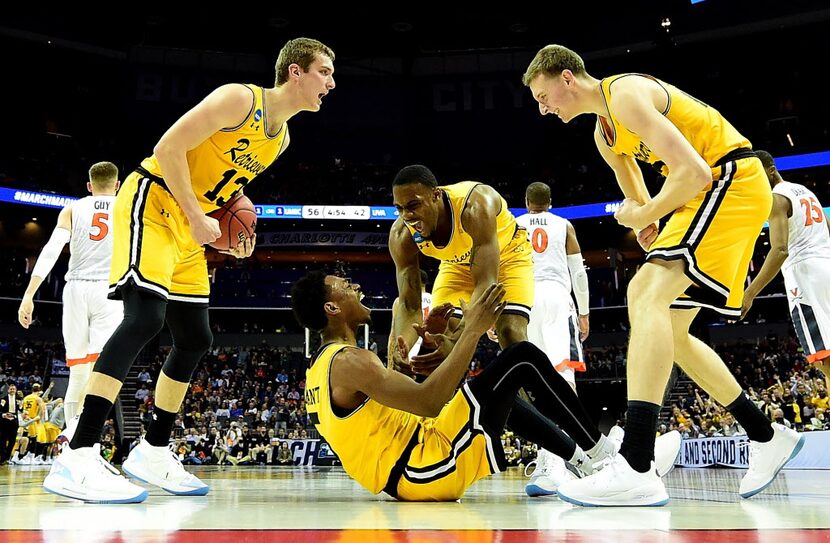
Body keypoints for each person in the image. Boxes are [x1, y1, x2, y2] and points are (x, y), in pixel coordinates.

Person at [44, 37, 336, 504]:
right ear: (295, 72)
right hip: (153, 200)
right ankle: (77, 455)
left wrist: (232, 237)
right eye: (324, 71)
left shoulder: (281, 139)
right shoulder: (240, 99)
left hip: (187, 223)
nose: (331, 82)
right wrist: (198, 217)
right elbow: (169, 147)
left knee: (196, 337)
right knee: (144, 319)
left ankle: (152, 453)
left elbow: (224, 196)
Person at [523, 44, 803, 506]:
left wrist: (643, 214)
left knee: (643, 294)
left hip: (730, 178)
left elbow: (692, 172)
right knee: (670, 327)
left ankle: (636, 462)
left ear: (567, 77)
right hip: (706, 193)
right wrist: (647, 220)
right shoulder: (604, 135)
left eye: (543, 95)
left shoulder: (626, 93)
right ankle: (766, 434)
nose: (543, 107)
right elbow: (646, 213)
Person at [388, 165, 621, 490]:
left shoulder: (475, 204)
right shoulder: (402, 234)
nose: (407, 216)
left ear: (436, 195)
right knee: (441, 361)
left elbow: (487, 283)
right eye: (399, 208)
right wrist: (400, 349)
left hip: (506, 258)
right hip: (455, 268)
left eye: (413, 205)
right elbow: (410, 304)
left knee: (515, 346)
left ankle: (574, 454)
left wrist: (460, 335)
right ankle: (575, 457)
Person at [293, 272, 621, 501]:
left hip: (406, 470)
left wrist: (417, 364)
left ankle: (581, 460)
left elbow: (395, 413)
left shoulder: (321, 366)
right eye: (347, 286)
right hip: (421, 466)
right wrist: (472, 331)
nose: (357, 287)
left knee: (492, 391)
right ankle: (602, 456)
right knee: (520, 358)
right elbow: (428, 403)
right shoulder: (351, 361)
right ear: (332, 308)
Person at [18, 162, 122, 427]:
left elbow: (51, 251)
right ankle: (87, 442)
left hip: (76, 289)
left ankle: (71, 438)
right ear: (117, 185)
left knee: (77, 370)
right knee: (100, 371)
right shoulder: (127, 208)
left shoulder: (73, 209)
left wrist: (29, 295)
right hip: (109, 291)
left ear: (89, 186)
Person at [743, 151, 830, 388]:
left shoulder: (775, 198)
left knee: (824, 360)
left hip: (806, 276)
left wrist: (749, 294)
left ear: (771, 170)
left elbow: (780, 250)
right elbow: (827, 226)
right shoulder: (804, 191)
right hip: (825, 265)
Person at [0, 384, 21, 464]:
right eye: (11, 389)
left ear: (16, 390)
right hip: (4, 422)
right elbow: (0, 409)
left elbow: (20, 410)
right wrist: (4, 415)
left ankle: (7, 457)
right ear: (8, 390)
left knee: (12, 441)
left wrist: (15, 415)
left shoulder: (18, 400)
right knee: (2, 440)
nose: (12, 390)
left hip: (14, 422)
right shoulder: (3, 399)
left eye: (13, 389)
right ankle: (3, 457)